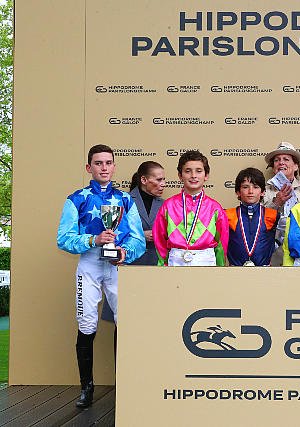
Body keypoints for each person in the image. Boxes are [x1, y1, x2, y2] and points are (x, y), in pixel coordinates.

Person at [56, 144, 145, 408]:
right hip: (90, 264)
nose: (104, 168)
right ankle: (87, 388)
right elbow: (63, 239)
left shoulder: (126, 200)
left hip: (116, 266)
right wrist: (93, 239)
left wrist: (124, 252)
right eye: (98, 163)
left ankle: (127, 385)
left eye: (108, 163)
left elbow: (138, 240)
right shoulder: (77, 198)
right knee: (87, 324)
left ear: (114, 166)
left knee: (125, 321)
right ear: (89, 167)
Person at [102, 161, 166, 322]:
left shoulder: (165, 204)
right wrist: (141, 235)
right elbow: (110, 234)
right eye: (158, 180)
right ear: (144, 180)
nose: (163, 184)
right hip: (128, 265)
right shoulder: (122, 201)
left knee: (151, 318)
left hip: (155, 267)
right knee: (122, 318)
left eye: (164, 180)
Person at [153, 150, 228, 266]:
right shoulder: (168, 206)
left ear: (206, 175)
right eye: (188, 171)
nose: (193, 175)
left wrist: (220, 268)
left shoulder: (215, 208)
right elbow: (159, 239)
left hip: (206, 262)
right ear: (180, 175)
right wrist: (163, 265)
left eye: (199, 171)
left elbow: (221, 243)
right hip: (175, 262)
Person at [262, 142, 300, 265]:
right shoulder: (263, 191)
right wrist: (276, 203)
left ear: (296, 166)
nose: (281, 163)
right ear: (273, 167)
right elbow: (258, 221)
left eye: (286, 159)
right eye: (277, 160)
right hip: (271, 250)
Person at [226, 168, 280, 266]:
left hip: (265, 271)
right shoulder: (227, 215)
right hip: (235, 271)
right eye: (245, 187)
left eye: (255, 187)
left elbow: (283, 238)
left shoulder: (273, 215)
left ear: (263, 192)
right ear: (238, 192)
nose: (250, 191)